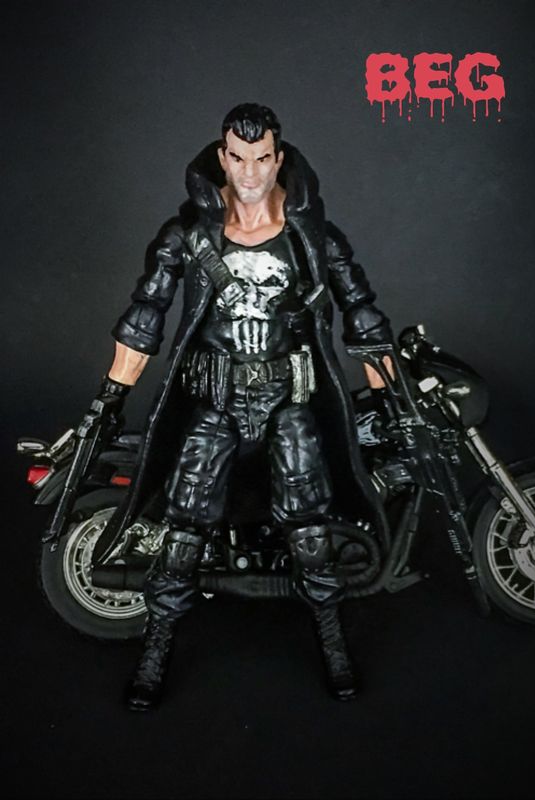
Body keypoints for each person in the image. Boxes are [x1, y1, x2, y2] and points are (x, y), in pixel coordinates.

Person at [91, 103, 393, 710]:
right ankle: (155, 652)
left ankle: (334, 645)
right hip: (216, 402)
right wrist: (110, 397)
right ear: (221, 158)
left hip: (288, 404)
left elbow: (363, 319)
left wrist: (389, 402)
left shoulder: (312, 237)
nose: (250, 173)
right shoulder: (189, 236)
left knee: (310, 529)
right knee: (183, 529)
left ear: (279, 159)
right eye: (238, 158)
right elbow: (145, 318)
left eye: (261, 159)